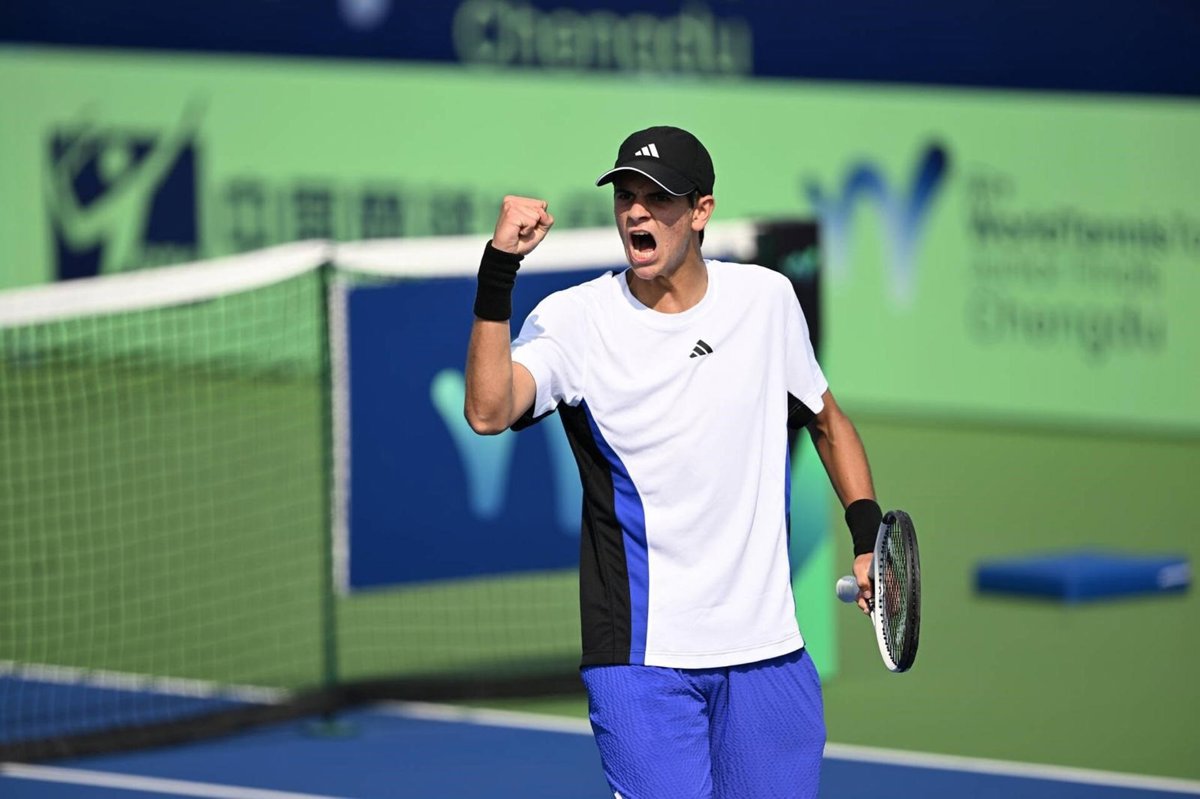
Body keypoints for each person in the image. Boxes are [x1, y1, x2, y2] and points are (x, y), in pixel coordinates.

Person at [464, 125, 882, 799]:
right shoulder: (575, 320)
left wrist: (868, 538)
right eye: (625, 196)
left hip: (768, 653)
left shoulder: (766, 300)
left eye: (658, 199)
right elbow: (488, 411)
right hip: (641, 661)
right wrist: (498, 271)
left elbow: (827, 421)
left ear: (700, 211)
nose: (637, 212)